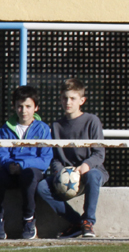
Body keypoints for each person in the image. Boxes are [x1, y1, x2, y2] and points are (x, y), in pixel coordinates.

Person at [37, 78, 108, 239]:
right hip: (66, 175)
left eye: (72, 98)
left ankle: (88, 222)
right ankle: (77, 222)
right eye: (64, 98)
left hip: (91, 170)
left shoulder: (92, 121)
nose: (68, 102)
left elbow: (99, 154)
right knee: (42, 187)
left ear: (82, 100)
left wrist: (85, 166)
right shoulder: (56, 125)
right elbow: (55, 157)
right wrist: (60, 172)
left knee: (92, 176)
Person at [0, 86, 52, 240]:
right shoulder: (6, 129)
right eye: (20, 106)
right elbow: (2, 153)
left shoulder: (43, 129)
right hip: (10, 170)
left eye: (28, 106)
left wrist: (22, 165)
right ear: (14, 106)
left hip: (31, 171)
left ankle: (29, 220)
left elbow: (45, 159)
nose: (24, 111)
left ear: (36, 108)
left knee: (28, 175)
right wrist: (9, 165)